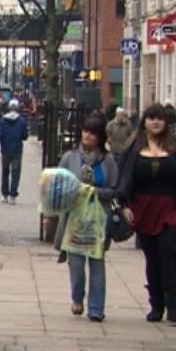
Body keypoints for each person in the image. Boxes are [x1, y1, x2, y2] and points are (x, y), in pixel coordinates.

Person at [116, 104, 176, 325]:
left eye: (160, 119)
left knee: (169, 251)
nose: (156, 122)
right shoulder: (134, 148)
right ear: (144, 121)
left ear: (166, 123)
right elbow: (124, 179)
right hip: (144, 207)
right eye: (151, 118)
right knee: (152, 256)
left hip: (172, 206)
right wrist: (125, 205)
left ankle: (174, 305)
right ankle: (156, 304)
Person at [50, 116, 119, 322]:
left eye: (93, 133)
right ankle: (77, 298)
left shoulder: (107, 161)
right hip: (75, 217)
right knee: (77, 264)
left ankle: (96, 307)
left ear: (100, 138)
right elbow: (57, 184)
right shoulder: (70, 157)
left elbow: (114, 190)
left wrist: (93, 191)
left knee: (97, 262)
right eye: (86, 131)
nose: (87, 136)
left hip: (98, 217)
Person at [0, 99, 29, 204]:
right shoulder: (21, 121)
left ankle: (4, 194)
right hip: (17, 149)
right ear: (17, 108)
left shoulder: (2, 121)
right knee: (15, 173)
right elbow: (25, 136)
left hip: (5, 150)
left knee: (5, 172)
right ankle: (13, 195)